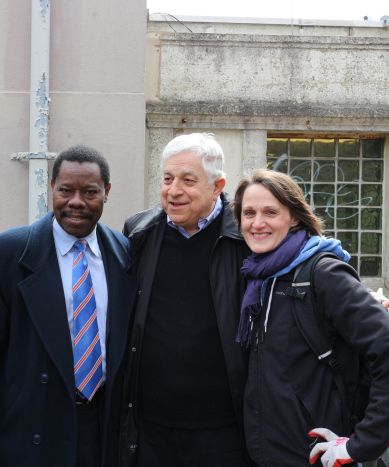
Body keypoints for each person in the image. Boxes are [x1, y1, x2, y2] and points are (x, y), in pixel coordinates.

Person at [0, 145, 135, 467]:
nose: (76, 202)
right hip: (28, 430)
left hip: (102, 430)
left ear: (106, 192)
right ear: (52, 189)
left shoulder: (124, 252)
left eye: (89, 191)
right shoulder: (8, 253)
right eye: (65, 190)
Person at [231, 169, 389, 466]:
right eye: (248, 212)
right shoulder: (259, 279)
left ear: (294, 217)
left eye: (270, 212)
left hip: (316, 456)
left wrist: (360, 445)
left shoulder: (323, 274)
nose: (257, 223)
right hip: (267, 454)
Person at [120, 133, 252, 467]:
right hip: (150, 433)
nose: (173, 190)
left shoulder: (247, 237)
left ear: (218, 185)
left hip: (225, 432)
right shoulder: (139, 233)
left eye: (188, 180)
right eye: (167, 179)